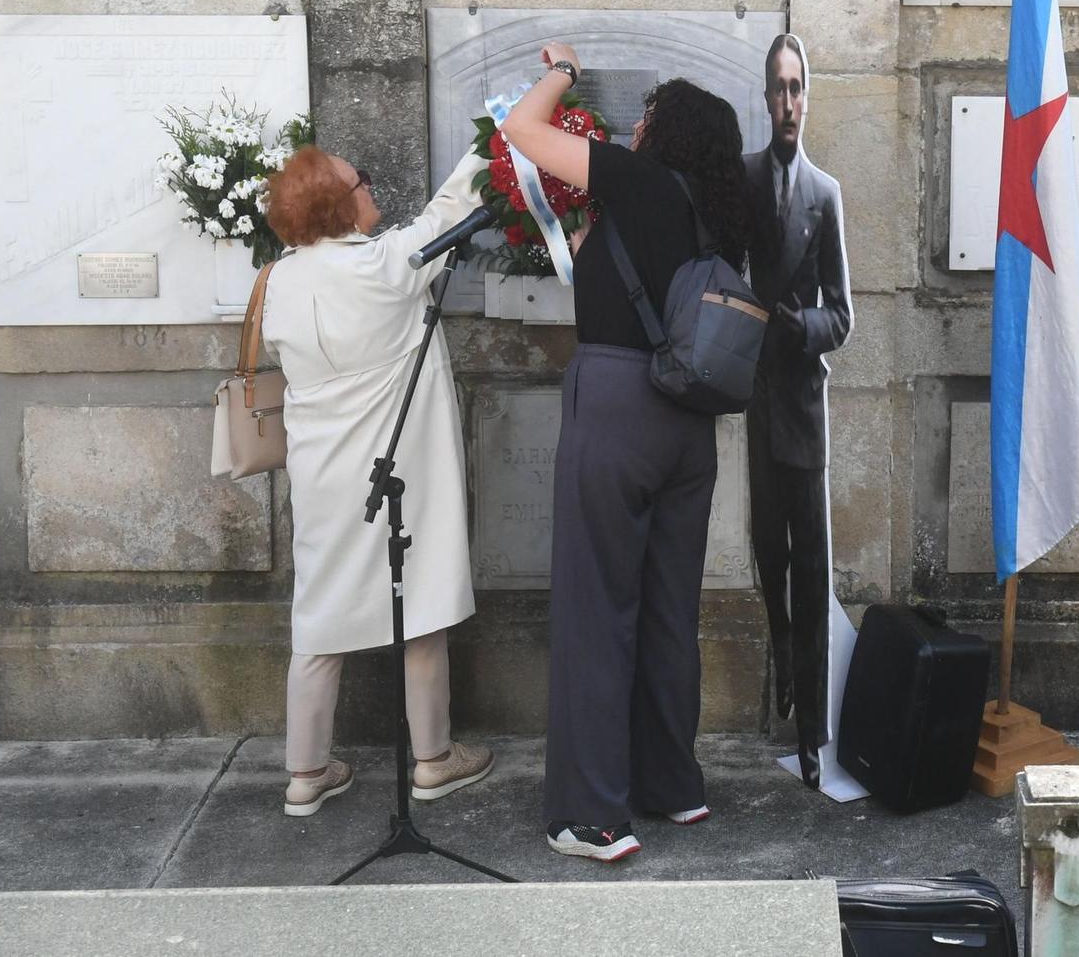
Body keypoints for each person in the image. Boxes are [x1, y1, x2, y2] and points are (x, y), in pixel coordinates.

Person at [501, 42, 752, 862]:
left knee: (594, 609)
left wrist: (562, 73)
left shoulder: (637, 180)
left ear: (665, 131)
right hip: (689, 423)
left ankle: (592, 816)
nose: (635, 125)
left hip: (617, 405)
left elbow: (520, 129)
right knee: (667, 608)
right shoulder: (720, 212)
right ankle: (671, 786)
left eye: (648, 115)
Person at [259, 145, 495, 817]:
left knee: (319, 613)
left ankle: (305, 772)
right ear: (340, 201)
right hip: (396, 467)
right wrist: (501, 133)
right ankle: (433, 758)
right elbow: (453, 208)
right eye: (360, 179)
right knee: (418, 602)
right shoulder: (384, 267)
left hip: (322, 474)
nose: (371, 184)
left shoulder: (274, 281)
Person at [742, 33, 852, 788]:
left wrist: (801, 325)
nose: (788, 102)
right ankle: (780, 660)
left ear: (809, 95)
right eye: (778, 88)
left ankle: (812, 728)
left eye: (798, 87)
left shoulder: (825, 193)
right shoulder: (743, 179)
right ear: (766, 97)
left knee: (810, 570)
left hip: (804, 407)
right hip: (754, 397)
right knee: (768, 555)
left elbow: (842, 313)